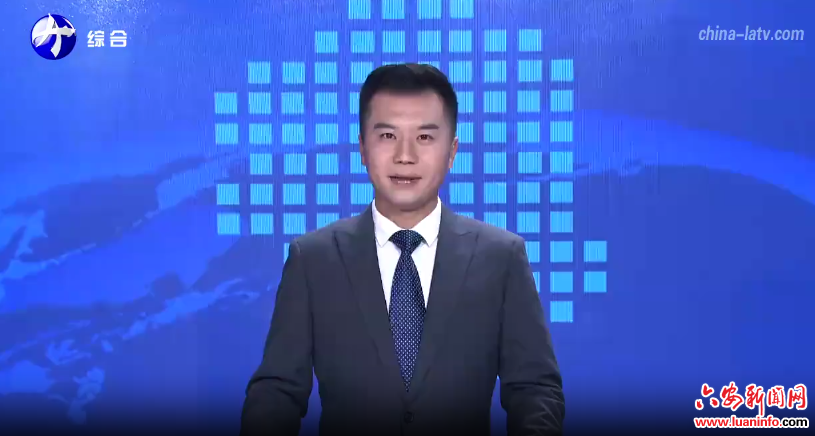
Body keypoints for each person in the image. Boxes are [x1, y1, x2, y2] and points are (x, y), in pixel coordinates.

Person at [240, 63, 565, 436]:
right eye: (387, 135)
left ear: (452, 151)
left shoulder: (502, 257)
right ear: (362, 148)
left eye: (424, 137)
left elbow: (535, 390)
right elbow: (277, 391)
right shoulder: (313, 259)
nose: (405, 156)